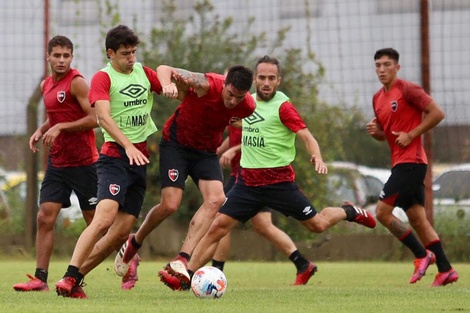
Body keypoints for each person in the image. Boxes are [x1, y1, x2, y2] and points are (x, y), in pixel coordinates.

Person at [160, 55, 377, 290]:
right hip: (247, 184)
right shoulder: (245, 103)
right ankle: (186, 276)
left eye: (271, 78)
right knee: (216, 228)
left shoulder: (283, 107)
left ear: (278, 81)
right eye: (262, 77)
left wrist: (317, 156)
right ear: (254, 79)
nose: (266, 82)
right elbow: (238, 124)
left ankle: (348, 211)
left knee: (317, 225)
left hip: (279, 183)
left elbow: (306, 135)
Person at [113, 64, 256, 290]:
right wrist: (168, 84)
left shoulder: (247, 105)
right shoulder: (206, 83)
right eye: (230, 94)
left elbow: (234, 117)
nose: (232, 101)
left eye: (238, 97)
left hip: (206, 153)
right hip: (176, 145)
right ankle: (135, 242)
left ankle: (182, 258)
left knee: (217, 199)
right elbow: (164, 68)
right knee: (170, 205)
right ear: (225, 83)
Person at [54, 25, 168, 298]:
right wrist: (127, 145)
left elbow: (167, 74)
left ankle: (74, 280)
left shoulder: (143, 72)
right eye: (125, 54)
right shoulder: (103, 78)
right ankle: (69, 274)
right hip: (115, 157)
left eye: (134, 53)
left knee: (120, 234)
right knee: (104, 219)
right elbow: (103, 118)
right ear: (111, 53)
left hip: (139, 160)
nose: (131, 58)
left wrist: (171, 83)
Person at [12, 35, 99, 293]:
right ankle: (40, 279)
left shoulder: (78, 83)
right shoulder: (47, 85)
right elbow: (57, 116)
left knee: (96, 222)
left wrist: (61, 126)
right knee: (44, 217)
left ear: (72, 57)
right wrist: (41, 129)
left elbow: (95, 118)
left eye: (66, 56)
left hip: (85, 163)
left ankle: (128, 257)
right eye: (57, 55)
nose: (61, 60)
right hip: (58, 163)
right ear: (47, 57)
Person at [366, 48, 458, 286]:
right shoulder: (377, 98)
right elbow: (389, 136)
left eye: (387, 64)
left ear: (397, 67)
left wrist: (412, 134)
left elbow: (437, 114)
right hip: (401, 163)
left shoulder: (408, 89)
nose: (382, 69)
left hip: (412, 163)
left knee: (382, 213)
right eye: (378, 65)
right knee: (418, 220)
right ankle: (445, 269)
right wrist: (378, 134)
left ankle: (421, 255)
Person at [212, 125, 316, 285]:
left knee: (221, 219)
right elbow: (235, 135)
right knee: (263, 225)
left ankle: (215, 273)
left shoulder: (247, 105)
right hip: (248, 175)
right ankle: (302, 264)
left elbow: (263, 135)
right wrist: (219, 149)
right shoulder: (232, 104)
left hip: (249, 174)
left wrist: (234, 150)